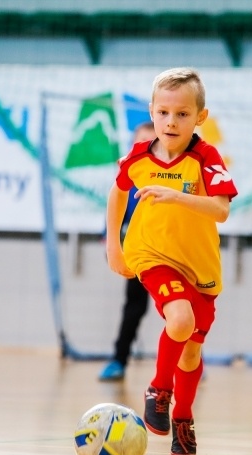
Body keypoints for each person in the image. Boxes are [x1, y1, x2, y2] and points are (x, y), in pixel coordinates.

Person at [105, 68, 238, 455]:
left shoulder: (206, 157)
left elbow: (221, 210)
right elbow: (117, 192)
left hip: (199, 267)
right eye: (163, 112)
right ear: (152, 111)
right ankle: (158, 390)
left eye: (182, 114)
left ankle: (182, 414)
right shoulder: (138, 157)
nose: (170, 121)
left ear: (200, 117)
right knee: (179, 321)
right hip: (152, 255)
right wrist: (115, 245)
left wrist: (175, 195)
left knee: (191, 353)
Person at [99, 121, 156, 382]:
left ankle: (190, 362)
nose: (143, 147)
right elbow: (115, 212)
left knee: (182, 310)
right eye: (138, 142)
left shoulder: (174, 175)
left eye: (149, 141)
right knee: (135, 306)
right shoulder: (129, 177)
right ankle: (119, 360)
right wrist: (111, 244)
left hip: (173, 252)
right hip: (139, 253)